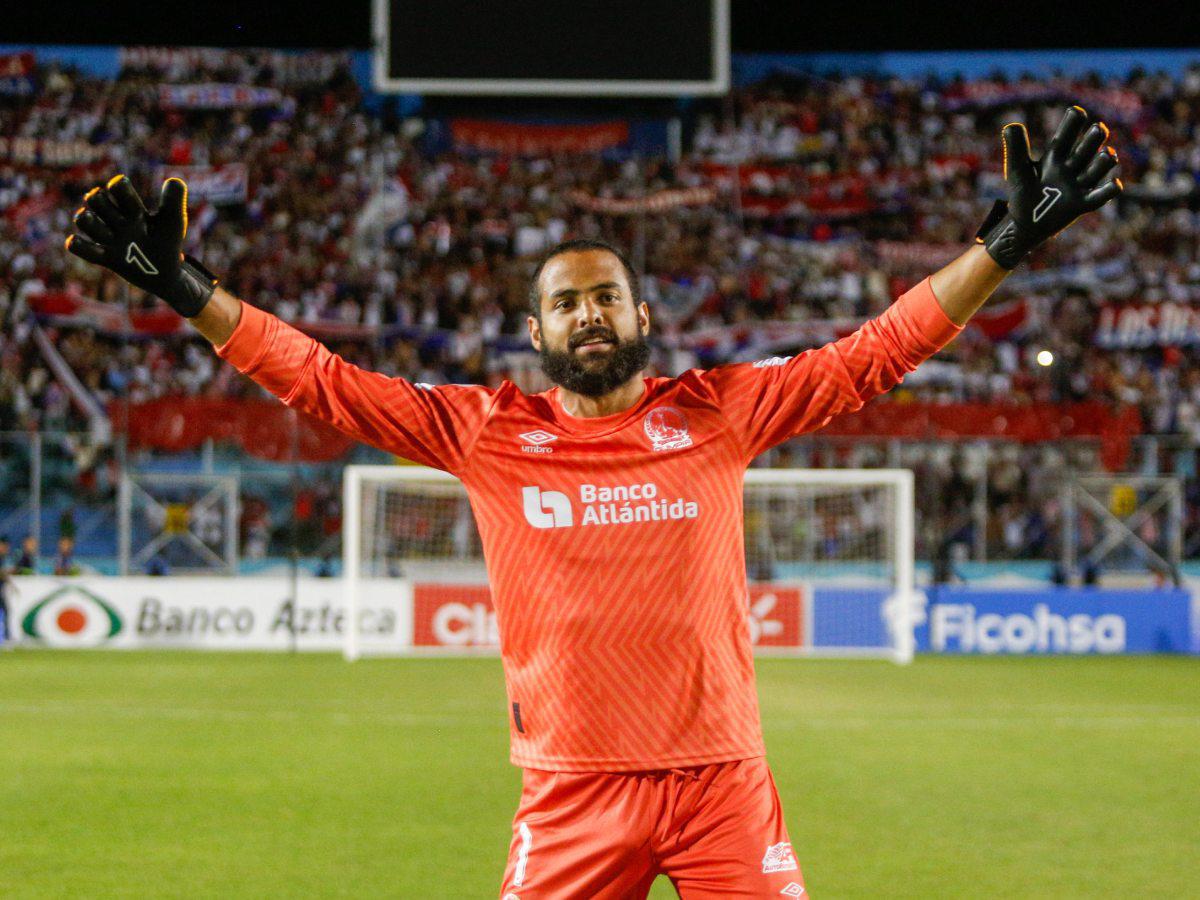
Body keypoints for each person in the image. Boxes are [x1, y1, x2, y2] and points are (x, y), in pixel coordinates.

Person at [65, 107, 1120, 897]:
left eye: (604, 294)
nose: (587, 313)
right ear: (536, 334)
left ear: (643, 312)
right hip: (571, 790)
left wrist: (1005, 249)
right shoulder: (484, 431)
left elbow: (875, 354)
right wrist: (189, 292)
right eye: (565, 302)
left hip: (721, 782)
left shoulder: (720, 410)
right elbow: (323, 381)